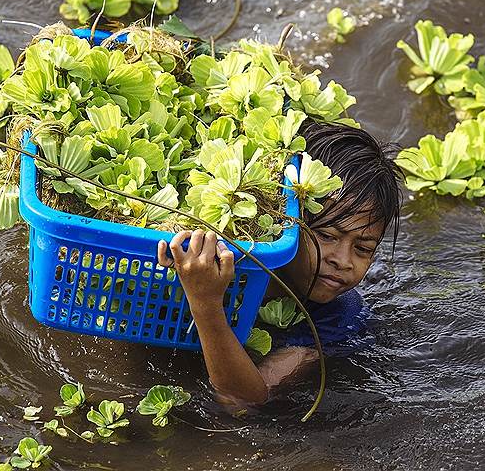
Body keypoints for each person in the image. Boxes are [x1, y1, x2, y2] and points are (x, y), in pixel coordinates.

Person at [156, 121, 403, 404]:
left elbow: (242, 399)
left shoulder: (338, 314)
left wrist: (205, 303)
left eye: (362, 248)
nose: (342, 261)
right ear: (283, 219)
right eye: (326, 235)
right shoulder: (234, 259)